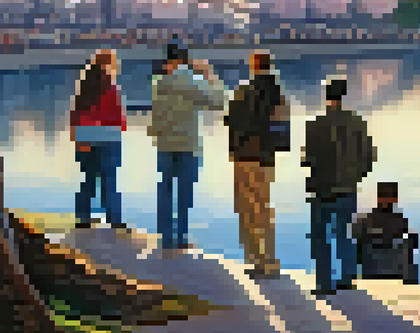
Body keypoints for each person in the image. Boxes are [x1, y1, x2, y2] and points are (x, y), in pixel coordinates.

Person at [302, 75, 376, 297]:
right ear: (343, 95)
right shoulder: (357, 122)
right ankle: (346, 278)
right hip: (348, 187)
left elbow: (307, 159)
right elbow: (369, 156)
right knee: (344, 233)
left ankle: (324, 283)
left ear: (326, 95)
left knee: (320, 236)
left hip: (322, 188)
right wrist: (356, 175)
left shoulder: (315, 124)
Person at [147, 42, 226, 251]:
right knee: (184, 193)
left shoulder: (158, 82)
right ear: (184, 60)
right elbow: (219, 101)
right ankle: (181, 238)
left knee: (165, 190)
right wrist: (209, 74)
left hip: (164, 142)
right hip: (187, 143)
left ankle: (165, 238)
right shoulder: (190, 80)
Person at [224, 50, 291, 278]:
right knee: (264, 207)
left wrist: (235, 147)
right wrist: (275, 149)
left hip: (243, 157)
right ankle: (270, 260)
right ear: (269, 66)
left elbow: (229, 120)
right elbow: (283, 127)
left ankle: (254, 259)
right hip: (265, 159)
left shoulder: (242, 91)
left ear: (253, 65)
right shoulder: (278, 93)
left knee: (246, 208)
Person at [69, 50, 128, 231]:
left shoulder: (84, 86)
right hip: (107, 137)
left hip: (85, 137)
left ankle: (83, 219)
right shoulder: (111, 87)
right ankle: (114, 221)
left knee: (88, 180)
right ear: (109, 64)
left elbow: (76, 114)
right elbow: (118, 117)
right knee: (109, 181)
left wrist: (77, 138)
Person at [354, 181, 419, 284]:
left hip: (371, 266)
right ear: (395, 199)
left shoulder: (365, 218)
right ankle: (410, 283)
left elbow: (356, 238)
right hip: (394, 268)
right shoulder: (399, 219)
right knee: (410, 241)